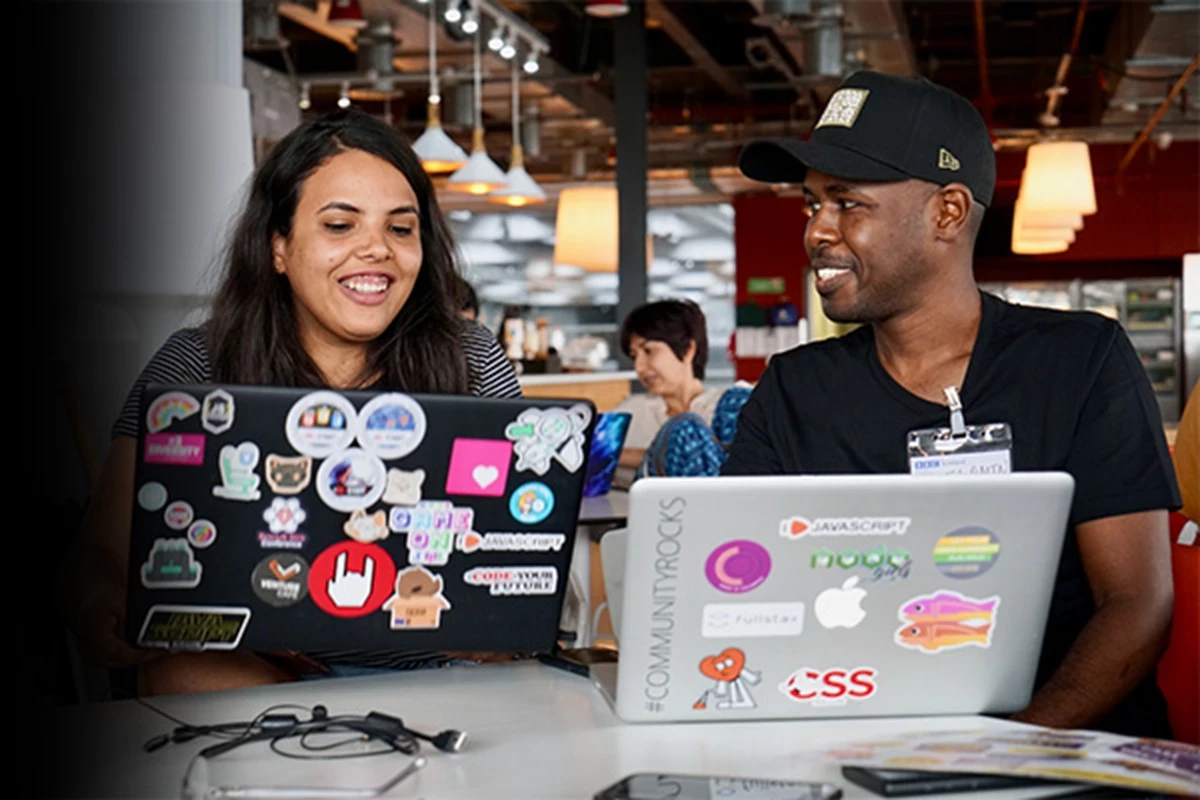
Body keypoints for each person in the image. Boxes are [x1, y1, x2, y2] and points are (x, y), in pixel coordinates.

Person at [728, 70, 1180, 737]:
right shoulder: (793, 389)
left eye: (847, 202)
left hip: (1066, 753)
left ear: (947, 212)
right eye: (811, 203)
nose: (817, 230)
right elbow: (741, 592)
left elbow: (1137, 603)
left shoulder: (1079, 362)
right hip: (854, 744)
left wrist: (1001, 753)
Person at [57, 109, 522, 696]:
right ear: (279, 246)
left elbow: (508, 543)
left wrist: (499, 617)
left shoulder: (474, 356)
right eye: (339, 225)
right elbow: (99, 553)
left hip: (439, 669)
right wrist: (102, 604)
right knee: (179, 673)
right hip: (260, 668)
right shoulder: (196, 363)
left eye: (400, 229)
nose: (376, 249)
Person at [614, 300, 724, 476]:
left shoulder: (725, 409)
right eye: (634, 356)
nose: (639, 367)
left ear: (688, 350)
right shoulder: (630, 413)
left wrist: (619, 455)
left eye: (649, 351)